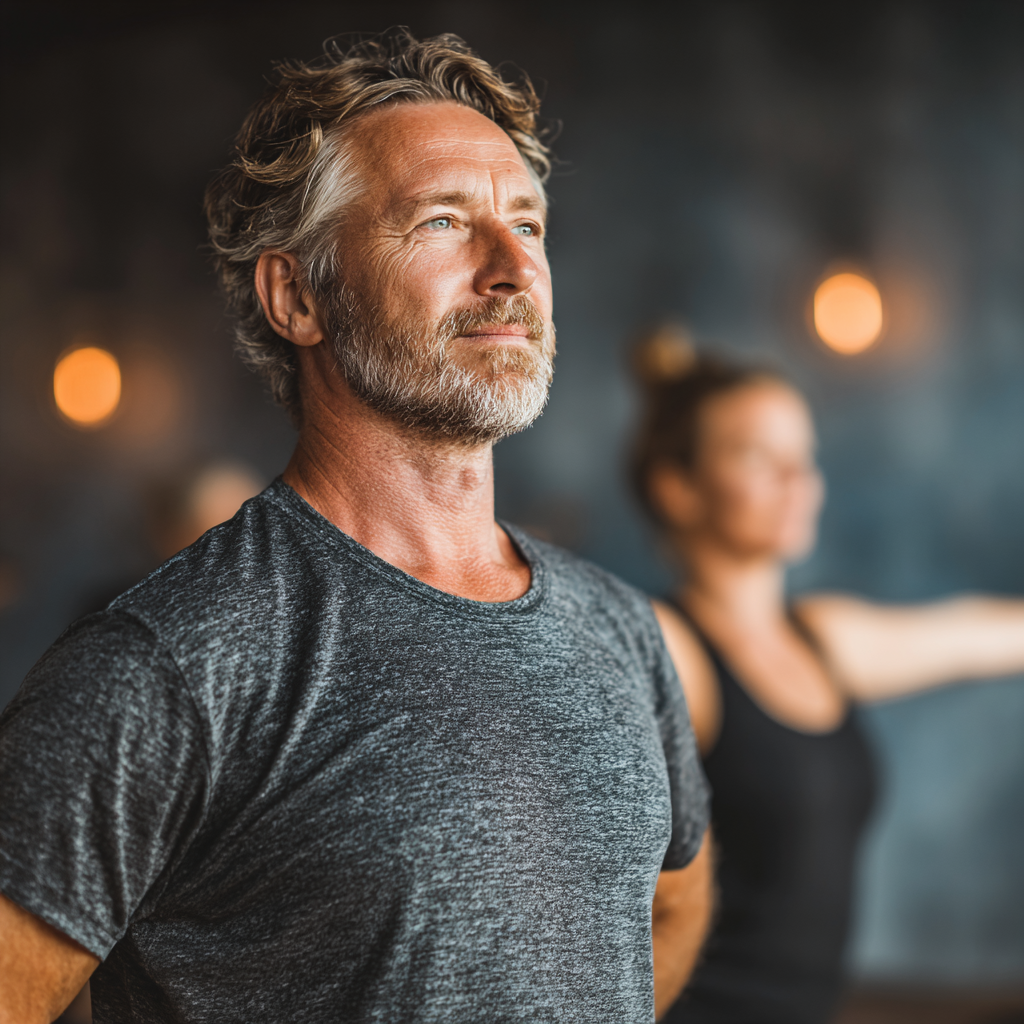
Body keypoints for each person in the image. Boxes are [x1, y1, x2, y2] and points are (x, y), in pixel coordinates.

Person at [0, 32, 713, 1024]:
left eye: (528, 224)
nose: (513, 268)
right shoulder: (167, 662)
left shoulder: (618, 630)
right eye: (442, 222)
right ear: (297, 297)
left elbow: (671, 905)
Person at [629, 328, 1024, 1024]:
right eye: (759, 456)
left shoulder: (820, 635)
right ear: (677, 488)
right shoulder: (670, 649)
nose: (798, 480)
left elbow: (978, 634)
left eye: (803, 456)